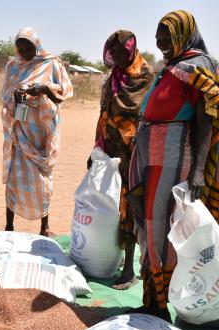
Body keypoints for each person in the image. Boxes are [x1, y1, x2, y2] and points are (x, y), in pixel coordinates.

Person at [128, 10, 215, 321]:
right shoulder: (173, 66)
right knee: (149, 224)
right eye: (157, 36)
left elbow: (206, 120)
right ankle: (153, 300)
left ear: (184, 34)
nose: (159, 41)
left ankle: (163, 306)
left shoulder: (197, 66)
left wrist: (197, 172)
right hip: (151, 152)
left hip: (172, 155)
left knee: (163, 229)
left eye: (166, 35)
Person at [91, 30, 154, 290]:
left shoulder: (145, 76)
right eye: (113, 51)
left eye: (121, 51)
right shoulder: (113, 77)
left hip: (135, 153)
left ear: (131, 50)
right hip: (112, 150)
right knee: (110, 206)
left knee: (129, 206)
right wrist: (97, 149)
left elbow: (142, 114)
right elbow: (104, 113)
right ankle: (111, 258)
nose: (116, 56)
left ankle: (129, 269)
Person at [1, 27, 73, 237]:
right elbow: (5, 96)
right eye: (20, 48)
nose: (24, 51)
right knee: (15, 176)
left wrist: (43, 89)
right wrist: (17, 95)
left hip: (42, 132)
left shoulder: (51, 64)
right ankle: (9, 226)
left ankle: (44, 226)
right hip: (19, 128)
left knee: (43, 180)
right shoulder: (12, 66)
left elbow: (63, 95)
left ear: (37, 45)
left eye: (28, 47)